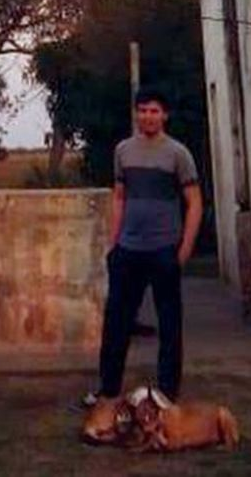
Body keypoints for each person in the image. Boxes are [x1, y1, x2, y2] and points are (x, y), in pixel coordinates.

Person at [87, 86, 203, 414]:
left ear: (164, 115)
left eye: (154, 111)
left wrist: (183, 250)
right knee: (116, 323)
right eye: (143, 110)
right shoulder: (123, 150)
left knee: (169, 324)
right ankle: (108, 390)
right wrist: (114, 244)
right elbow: (120, 197)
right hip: (128, 251)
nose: (148, 116)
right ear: (136, 114)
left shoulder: (178, 154)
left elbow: (194, 203)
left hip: (164, 249)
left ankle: (166, 393)